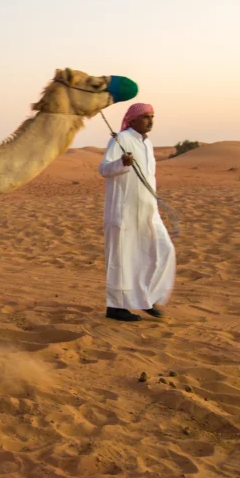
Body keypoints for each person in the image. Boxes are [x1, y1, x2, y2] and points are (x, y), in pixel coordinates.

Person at [98, 103, 176, 322]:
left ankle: (146, 298)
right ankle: (115, 307)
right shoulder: (120, 139)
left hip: (148, 210)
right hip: (123, 211)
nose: (150, 120)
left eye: (152, 116)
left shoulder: (147, 144)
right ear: (131, 120)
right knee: (122, 259)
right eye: (145, 117)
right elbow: (104, 169)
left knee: (163, 250)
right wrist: (121, 163)